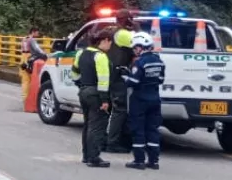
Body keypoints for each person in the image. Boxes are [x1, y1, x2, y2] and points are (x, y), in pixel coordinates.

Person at [123, 32, 165, 170]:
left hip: (140, 100)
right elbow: (160, 80)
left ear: (141, 47)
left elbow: (133, 82)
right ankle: (153, 161)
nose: (134, 51)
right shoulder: (159, 61)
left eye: (135, 48)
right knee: (152, 129)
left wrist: (125, 77)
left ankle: (139, 161)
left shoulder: (139, 62)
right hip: (155, 98)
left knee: (138, 129)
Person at [71, 29, 113, 167]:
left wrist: (81, 85)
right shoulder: (100, 56)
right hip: (96, 93)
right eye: (110, 42)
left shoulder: (81, 53)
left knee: (88, 124)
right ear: (105, 40)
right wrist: (105, 100)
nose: (110, 45)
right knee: (97, 126)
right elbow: (103, 80)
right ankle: (94, 157)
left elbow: (74, 74)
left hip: (84, 91)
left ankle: (86, 155)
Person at [105, 9, 138, 154]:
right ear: (126, 19)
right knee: (120, 109)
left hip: (112, 73)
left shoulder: (112, 31)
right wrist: (137, 27)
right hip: (119, 75)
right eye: (130, 19)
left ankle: (113, 139)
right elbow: (139, 44)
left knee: (114, 109)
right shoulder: (123, 34)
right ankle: (112, 142)